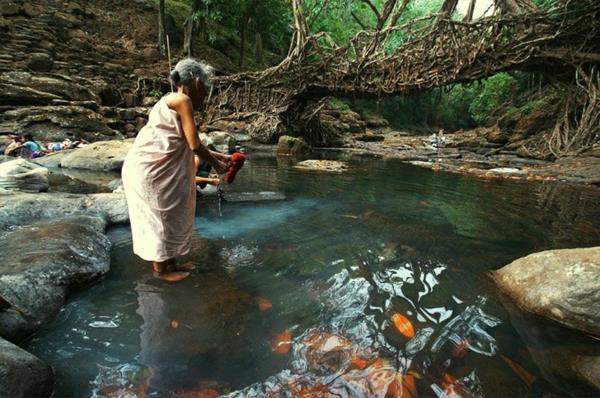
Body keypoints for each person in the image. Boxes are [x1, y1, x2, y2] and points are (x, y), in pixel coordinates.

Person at [122, 58, 231, 282]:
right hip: (150, 169)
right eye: (205, 87)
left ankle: (170, 263)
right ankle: (161, 271)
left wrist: (222, 156)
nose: (206, 93)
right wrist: (218, 165)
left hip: (150, 166)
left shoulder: (170, 99)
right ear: (196, 82)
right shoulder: (183, 100)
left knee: (168, 215)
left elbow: (184, 142)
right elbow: (194, 145)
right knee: (160, 216)